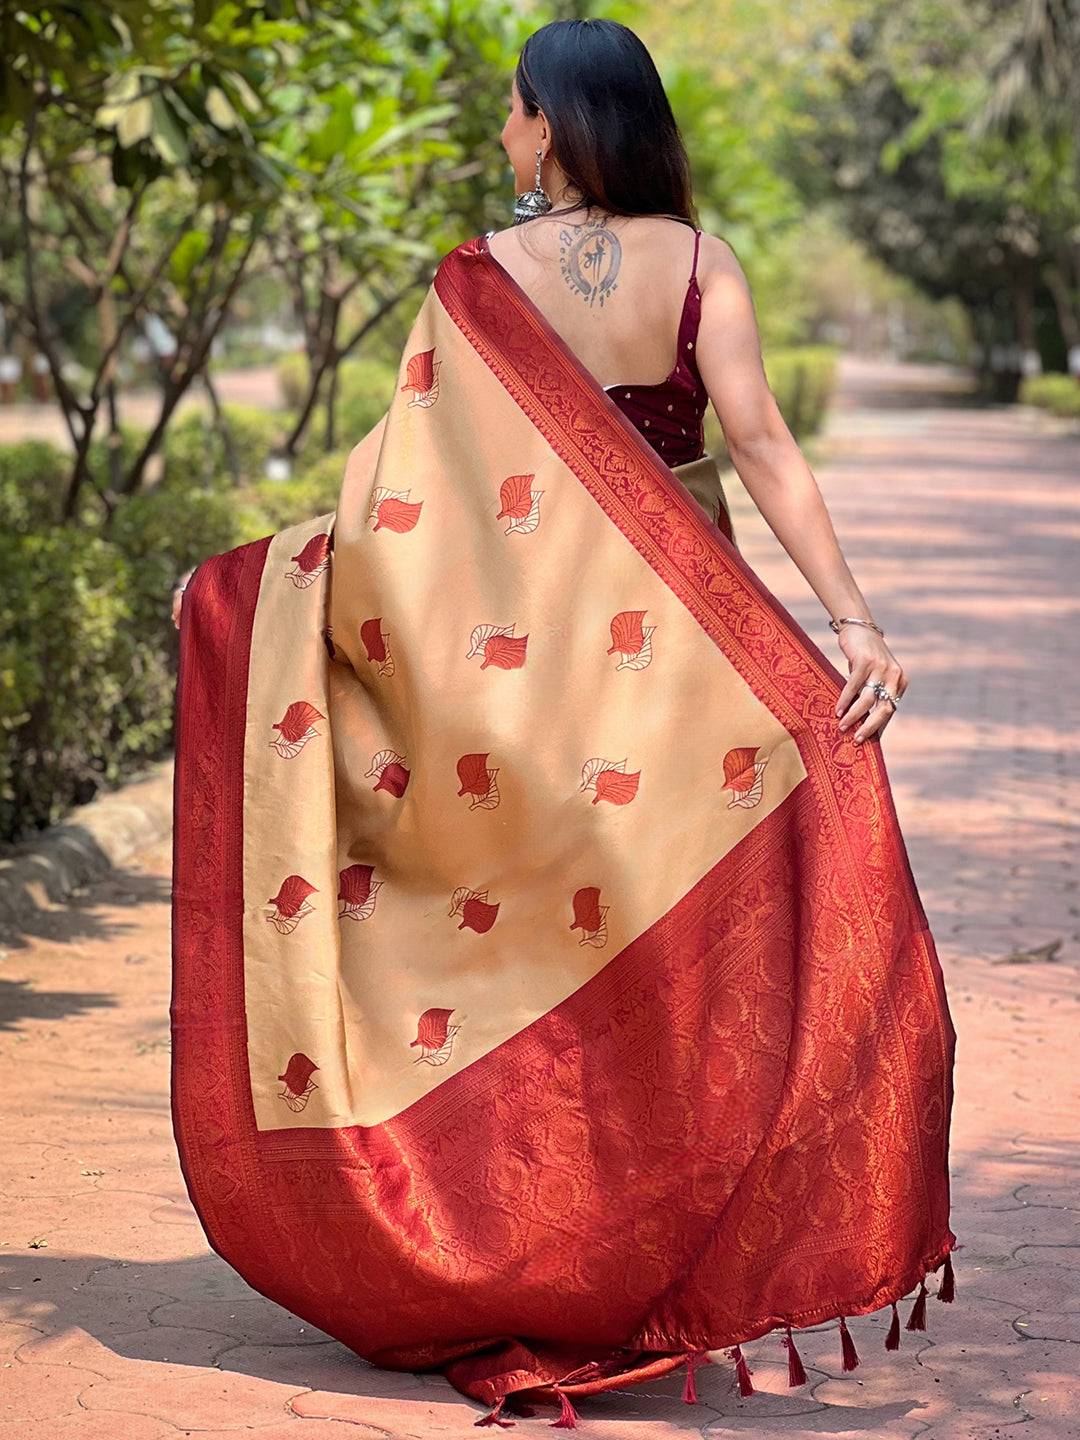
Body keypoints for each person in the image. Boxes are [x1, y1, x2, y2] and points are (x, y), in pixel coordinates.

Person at [171, 18, 956, 1428]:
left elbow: (398, 511)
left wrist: (253, 598)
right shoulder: (700, 264)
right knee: (668, 963)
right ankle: (641, 1259)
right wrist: (853, 625)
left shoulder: (479, 278)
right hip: (683, 674)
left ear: (553, 123)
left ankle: (519, 1248)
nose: (503, 135)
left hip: (517, 690)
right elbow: (764, 445)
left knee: (524, 943)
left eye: (512, 112)